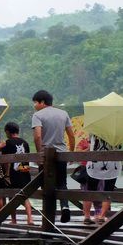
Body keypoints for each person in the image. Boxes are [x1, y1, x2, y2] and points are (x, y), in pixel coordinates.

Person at [31, 90, 76, 223]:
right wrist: (70, 153)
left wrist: (41, 153)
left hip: (46, 155)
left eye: (35, 102)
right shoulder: (63, 113)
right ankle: (65, 206)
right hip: (61, 154)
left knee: (46, 185)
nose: (34, 105)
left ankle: (50, 216)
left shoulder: (37, 115)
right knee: (62, 183)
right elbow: (71, 136)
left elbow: (38, 136)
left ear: (42, 102)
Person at [2, 122, 34, 226]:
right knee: (24, 196)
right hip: (25, 171)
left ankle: (14, 220)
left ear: (7, 131)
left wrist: (6, 174)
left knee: (12, 197)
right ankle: (30, 219)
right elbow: (28, 158)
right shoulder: (25, 142)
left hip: (14, 172)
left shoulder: (8, 143)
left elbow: (5, 160)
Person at [84, 136, 122, 225]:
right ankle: (102, 216)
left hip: (95, 163)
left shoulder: (94, 132)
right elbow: (119, 147)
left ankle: (87, 216)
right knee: (108, 191)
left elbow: (91, 146)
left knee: (90, 190)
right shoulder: (116, 133)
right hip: (112, 164)